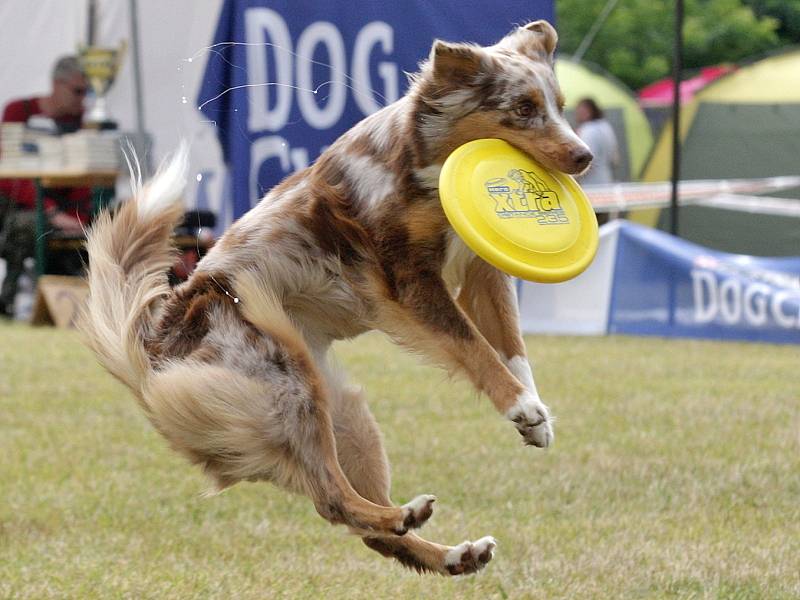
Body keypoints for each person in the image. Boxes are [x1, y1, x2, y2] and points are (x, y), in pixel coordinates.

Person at [0, 56, 91, 318]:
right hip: (17, 207)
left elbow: (83, 181)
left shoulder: (80, 122)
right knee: (25, 225)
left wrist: (76, 220)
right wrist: (51, 212)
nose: (82, 100)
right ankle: (8, 301)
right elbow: (9, 175)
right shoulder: (19, 112)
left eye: (86, 93)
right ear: (56, 85)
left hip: (55, 213)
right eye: (77, 91)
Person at [574, 97, 619, 186]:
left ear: (588, 111)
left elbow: (586, 159)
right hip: (606, 180)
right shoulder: (606, 126)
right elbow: (615, 158)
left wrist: (572, 178)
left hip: (590, 184)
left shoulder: (588, 130)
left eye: (580, 111)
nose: (577, 114)